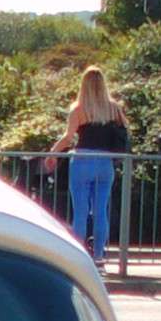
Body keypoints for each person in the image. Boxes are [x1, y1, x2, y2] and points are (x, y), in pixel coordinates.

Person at [50, 68, 130, 267]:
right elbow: (125, 130)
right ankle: (99, 255)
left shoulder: (78, 108)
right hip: (105, 163)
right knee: (101, 210)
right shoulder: (113, 108)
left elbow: (68, 137)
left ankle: (79, 254)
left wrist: (52, 153)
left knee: (80, 211)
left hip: (83, 160)